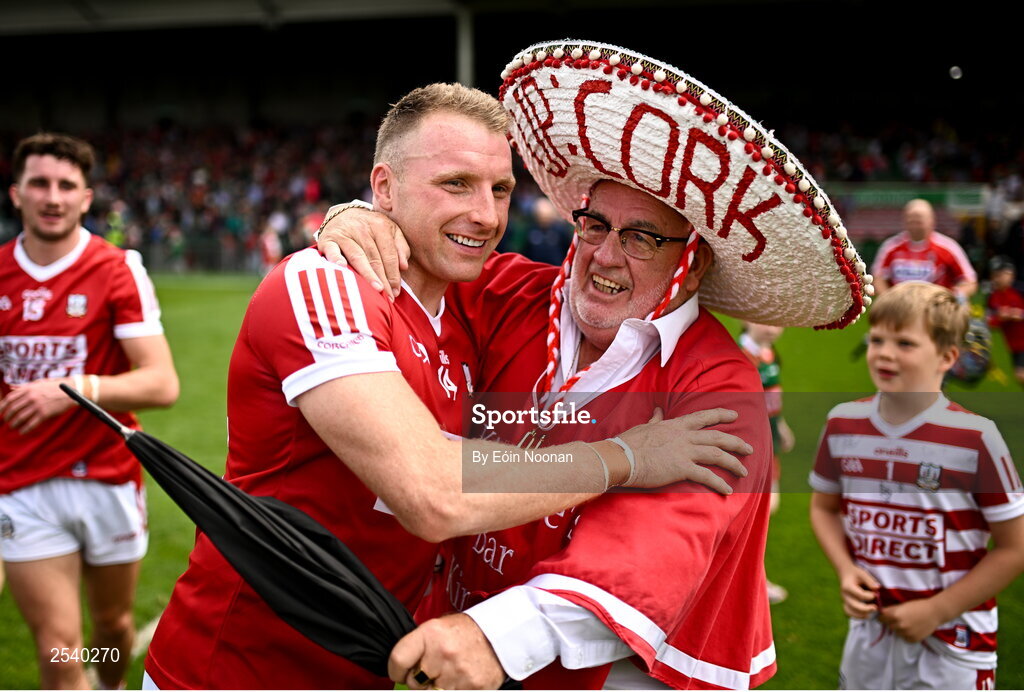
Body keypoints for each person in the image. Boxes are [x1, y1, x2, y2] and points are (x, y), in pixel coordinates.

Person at [143, 83, 750, 691]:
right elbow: (433, 492)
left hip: (415, 663)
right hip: (240, 670)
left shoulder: (477, 301)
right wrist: (626, 457)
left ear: (692, 261)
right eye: (455, 183)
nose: (486, 215)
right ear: (384, 186)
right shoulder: (329, 283)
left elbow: (661, 546)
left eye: (501, 190)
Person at [319, 39, 872, 689]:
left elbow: (656, 549)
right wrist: (359, 219)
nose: (605, 255)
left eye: (641, 237)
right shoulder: (516, 294)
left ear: (690, 263)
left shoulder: (719, 383)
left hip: (625, 670)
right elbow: (426, 257)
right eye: (594, 226)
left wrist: (496, 635)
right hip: (462, 632)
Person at [0, 132, 180, 690]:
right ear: (16, 194)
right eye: (39, 184)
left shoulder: (117, 268)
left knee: (112, 628)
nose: (52, 196)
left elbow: (161, 383)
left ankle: (110, 681)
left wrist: (69, 389)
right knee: (59, 651)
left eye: (65, 186)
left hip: (106, 480)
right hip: (22, 485)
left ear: (85, 197)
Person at [809, 281, 1024, 690]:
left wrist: (937, 609)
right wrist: (846, 570)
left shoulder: (976, 438)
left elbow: (1015, 548)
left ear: (947, 357)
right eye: (877, 339)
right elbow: (823, 508)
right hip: (870, 631)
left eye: (905, 343)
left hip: (953, 640)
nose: (885, 352)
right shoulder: (842, 424)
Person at [739, 321, 794, 605]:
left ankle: (751, 577)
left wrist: (780, 426)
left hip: (769, 449)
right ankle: (755, 581)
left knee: (767, 512)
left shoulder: (770, 354)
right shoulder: (741, 357)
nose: (773, 327)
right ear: (746, 319)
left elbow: (772, 401)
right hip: (751, 452)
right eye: (764, 319)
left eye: (778, 321)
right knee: (755, 517)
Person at [871, 198, 978, 299]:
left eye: (919, 222)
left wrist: (953, 297)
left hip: (935, 310)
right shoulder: (891, 246)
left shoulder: (948, 247)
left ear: (931, 221)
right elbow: (878, 277)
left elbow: (969, 281)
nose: (915, 226)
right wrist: (888, 299)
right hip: (900, 310)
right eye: (911, 221)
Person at [986, 256, 1024, 387]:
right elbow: (990, 321)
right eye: (996, 275)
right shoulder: (993, 297)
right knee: (1020, 376)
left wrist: (1019, 314)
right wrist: (1000, 318)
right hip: (1014, 344)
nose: (999, 278)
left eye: (1002, 274)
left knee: (1021, 374)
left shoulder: (1019, 291)